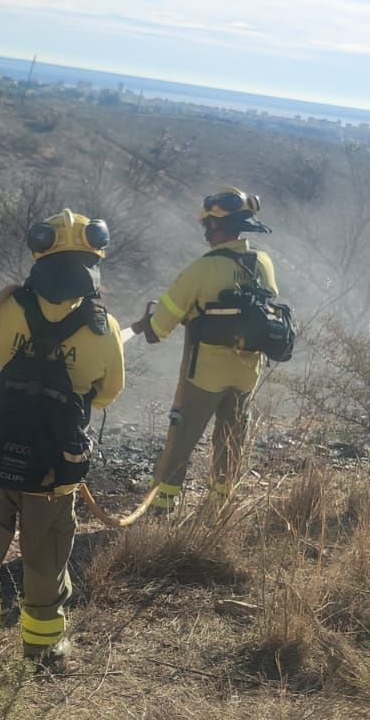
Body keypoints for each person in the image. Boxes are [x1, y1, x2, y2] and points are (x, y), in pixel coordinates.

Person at [0, 209, 126, 667]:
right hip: (55, 469)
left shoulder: (4, 307)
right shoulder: (103, 327)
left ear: (40, 252)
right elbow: (107, 395)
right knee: (46, 558)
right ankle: (45, 649)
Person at [129, 188, 280, 514]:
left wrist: (148, 323)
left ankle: (160, 510)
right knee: (230, 443)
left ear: (216, 227)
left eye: (208, 226)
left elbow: (158, 329)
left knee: (180, 441)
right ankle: (216, 509)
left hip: (204, 374)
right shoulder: (264, 263)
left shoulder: (202, 268)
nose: (206, 233)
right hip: (247, 373)